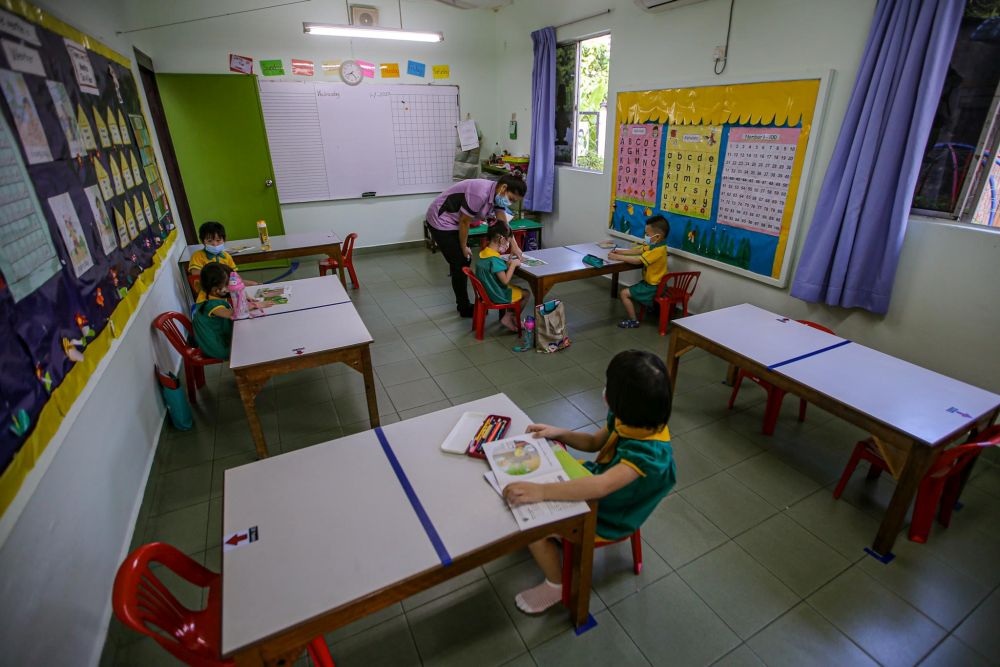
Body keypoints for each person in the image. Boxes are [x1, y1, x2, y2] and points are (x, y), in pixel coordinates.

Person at [504, 349, 676, 614]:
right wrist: (559, 432)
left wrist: (541, 491)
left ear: (619, 401)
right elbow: (596, 442)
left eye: (609, 386)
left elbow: (599, 487)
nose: (604, 389)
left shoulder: (648, 455)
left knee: (533, 529)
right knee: (538, 474)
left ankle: (556, 585)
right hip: (602, 483)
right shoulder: (632, 418)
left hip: (611, 513)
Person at [425, 175, 527, 317]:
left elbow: (503, 222)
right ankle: (464, 307)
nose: (510, 203)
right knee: (460, 261)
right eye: (511, 199)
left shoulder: (497, 194)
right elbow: (464, 222)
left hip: (455, 222)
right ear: (504, 188)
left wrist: (514, 245)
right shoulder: (479, 193)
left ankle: (464, 303)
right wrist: (463, 247)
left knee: (463, 260)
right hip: (441, 220)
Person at [608, 215, 670, 329]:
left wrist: (617, 258)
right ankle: (649, 307)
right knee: (629, 291)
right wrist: (620, 252)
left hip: (653, 287)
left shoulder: (658, 251)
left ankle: (633, 321)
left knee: (624, 294)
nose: (645, 236)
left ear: (657, 236)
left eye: (648, 234)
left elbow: (637, 261)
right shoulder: (655, 245)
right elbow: (639, 250)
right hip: (653, 284)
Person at [187, 221, 257, 300]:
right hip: (209, 294)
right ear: (203, 241)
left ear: (224, 239)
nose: (214, 244)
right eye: (210, 241)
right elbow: (198, 277)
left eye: (218, 240)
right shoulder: (197, 256)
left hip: (227, 289)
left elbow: (234, 277)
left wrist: (249, 283)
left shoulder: (226, 256)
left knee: (255, 286)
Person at [475, 224, 524, 332]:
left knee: (517, 289)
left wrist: (507, 265)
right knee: (526, 293)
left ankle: (511, 318)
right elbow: (505, 281)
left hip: (487, 292)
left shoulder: (484, 253)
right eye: (508, 241)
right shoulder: (494, 259)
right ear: (501, 239)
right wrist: (513, 265)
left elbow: (493, 271)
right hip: (496, 294)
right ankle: (509, 317)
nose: (508, 245)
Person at [192, 263, 234, 360]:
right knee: (243, 349)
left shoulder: (208, 292)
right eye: (227, 285)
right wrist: (254, 305)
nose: (231, 287)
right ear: (216, 290)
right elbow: (233, 313)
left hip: (219, 335)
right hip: (217, 346)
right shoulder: (211, 305)